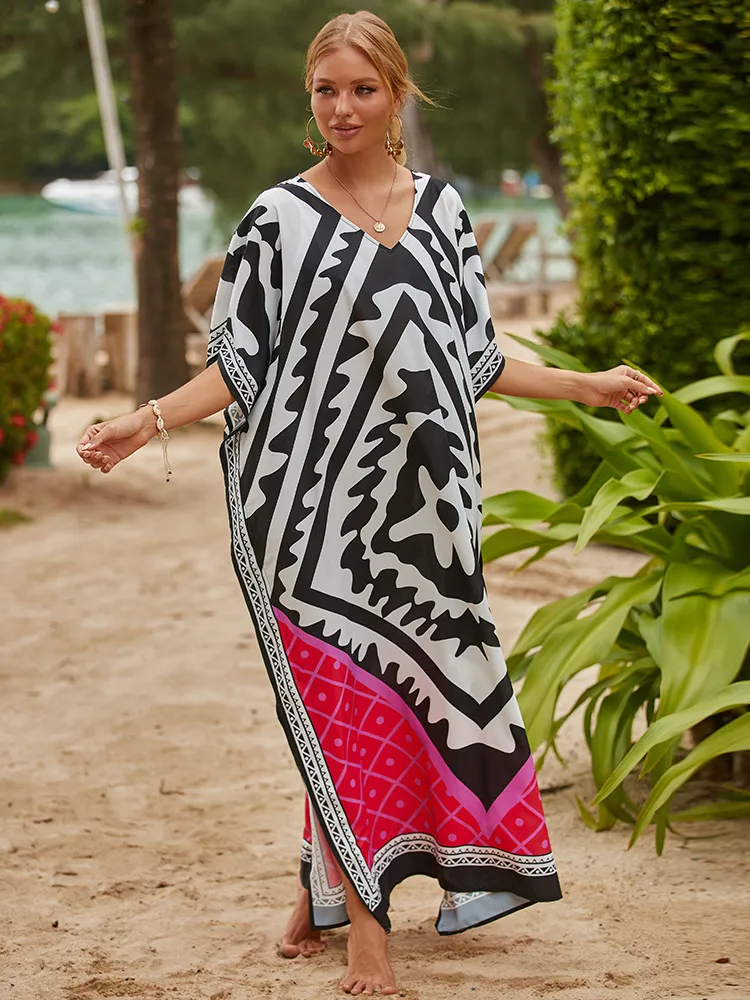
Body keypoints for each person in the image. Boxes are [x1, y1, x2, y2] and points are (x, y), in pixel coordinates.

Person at [77, 11, 662, 996]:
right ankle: (366, 927)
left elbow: (476, 358)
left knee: (406, 699)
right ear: (307, 98)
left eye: (362, 89)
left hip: (429, 512)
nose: (342, 108)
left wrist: (587, 384)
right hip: (312, 520)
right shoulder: (275, 221)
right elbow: (237, 365)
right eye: (325, 90)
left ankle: (316, 892)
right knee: (340, 704)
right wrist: (147, 420)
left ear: (396, 94)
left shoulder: (443, 212)